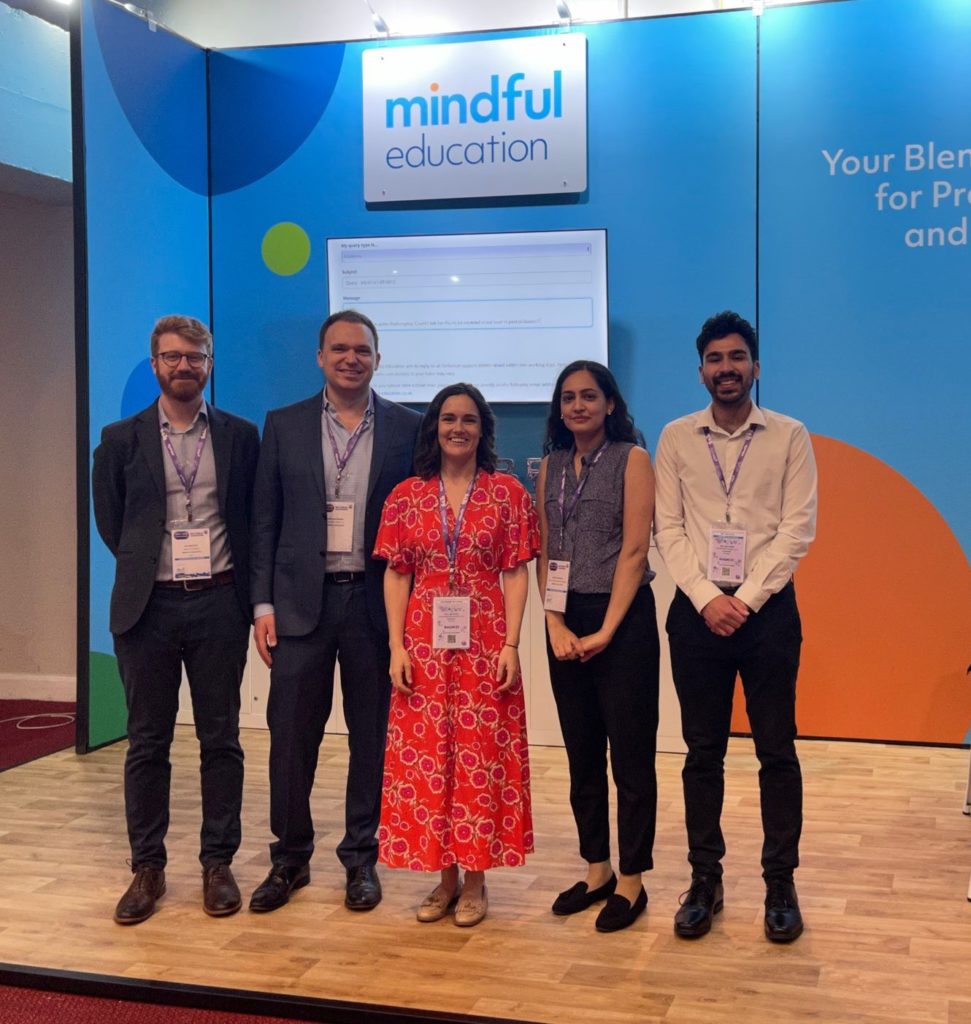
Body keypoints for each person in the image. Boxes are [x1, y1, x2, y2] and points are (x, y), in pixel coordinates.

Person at [249, 310, 421, 913]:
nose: (352, 359)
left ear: (378, 359)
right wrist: (262, 603)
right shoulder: (285, 424)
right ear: (320, 357)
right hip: (299, 605)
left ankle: (360, 859)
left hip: (374, 605)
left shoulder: (408, 427)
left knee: (372, 737)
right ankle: (289, 860)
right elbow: (264, 519)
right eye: (340, 349)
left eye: (363, 350)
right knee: (291, 737)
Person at [654, 310, 817, 943]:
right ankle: (705, 879)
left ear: (755, 366)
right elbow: (668, 528)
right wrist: (704, 596)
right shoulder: (674, 437)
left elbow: (796, 530)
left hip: (768, 613)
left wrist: (743, 599)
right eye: (715, 359)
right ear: (700, 369)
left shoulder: (789, 435)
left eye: (737, 357)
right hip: (696, 616)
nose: (727, 368)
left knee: (777, 750)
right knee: (703, 752)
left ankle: (780, 881)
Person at [92, 314, 260, 925]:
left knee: (221, 738)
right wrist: (149, 573)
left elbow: (248, 518)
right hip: (148, 608)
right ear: (155, 363)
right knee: (147, 742)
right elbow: (116, 527)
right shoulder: (118, 440)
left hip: (219, 601)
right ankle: (148, 869)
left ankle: (218, 863)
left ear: (210, 362)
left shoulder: (241, 437)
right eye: (172, 357)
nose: (184, 366)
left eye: (195, 356)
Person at [374, 383, 538, 927]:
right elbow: (398, 572)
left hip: (486, 642)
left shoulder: (509, 493)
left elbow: (515, 571)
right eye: (448, 418)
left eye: (469, 419)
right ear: (434, 427)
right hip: (422, 644)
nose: (458, 428)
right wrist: (397, 645)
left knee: (479, 759)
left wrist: (513, 643)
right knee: (427, 762)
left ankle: (475, 880)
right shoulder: (406, 495)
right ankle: (441, 879)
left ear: (483, 429)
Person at [535, 361, 659, 933]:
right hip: (565, 619)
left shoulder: (632, 459)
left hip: (622, 620)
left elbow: (635, 550)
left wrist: (607, 630)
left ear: (611, 404)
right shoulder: (553, 466)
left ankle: (632, 882)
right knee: (583, 755)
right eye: (568, 398)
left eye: (589, 396)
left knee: (630, 758)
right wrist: (554, 622)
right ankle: (597, 870)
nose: (578, 406)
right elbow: (546, 553)